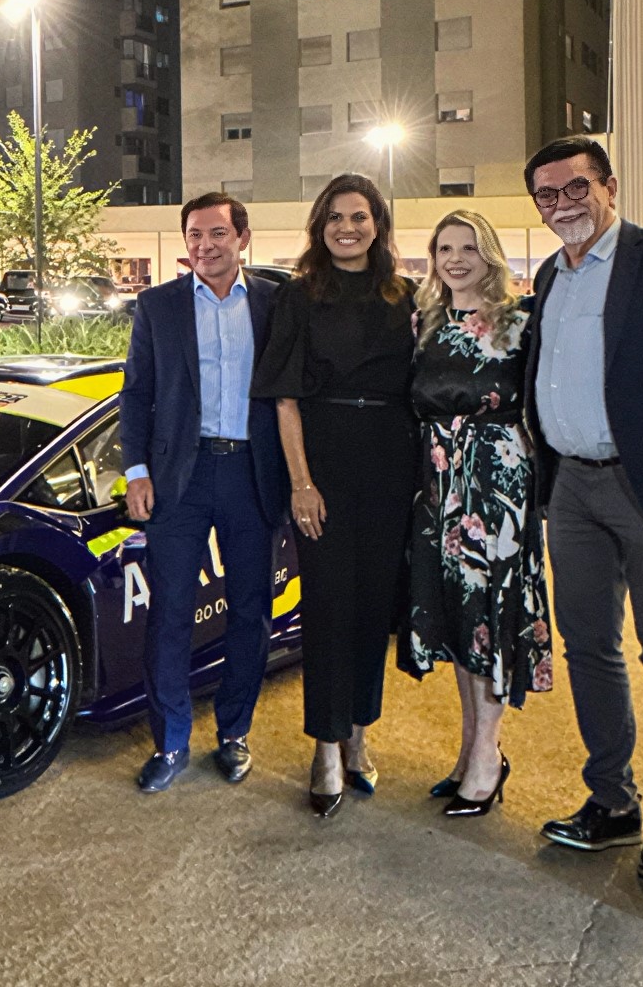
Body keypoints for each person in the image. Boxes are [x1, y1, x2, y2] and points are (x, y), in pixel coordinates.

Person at [521, 137, 643, 884]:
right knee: (588, 646)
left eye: (576, 188)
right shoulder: (548, 274)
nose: (562, 204)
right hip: (571, 486)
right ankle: (611, 800)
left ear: (610, 186)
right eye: (547, 195)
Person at [251, 173, 416, 818]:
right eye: (336, 218)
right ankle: (324, 745)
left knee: (374, 609)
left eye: (359, 216)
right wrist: (302, 483)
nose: (348, 228)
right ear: (320, 227)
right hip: (322, 465)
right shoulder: (299, 296)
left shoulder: (405, 296)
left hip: (391, 464)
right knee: (327, 607)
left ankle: (359, 734)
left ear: (378, 225)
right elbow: (284, 399)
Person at [121, 192, 289, 792]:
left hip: (252, 474)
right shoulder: (157, 306)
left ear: (242, 237)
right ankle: (170, 742)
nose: (205, 245)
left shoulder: (274, 304)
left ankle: (234, 732)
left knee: (250, 611)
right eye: (194, 234)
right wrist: (135, 470)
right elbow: (136, 393)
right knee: (169, 613)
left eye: (217, 233)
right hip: (179, 482)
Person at [399, 210, 549, 818]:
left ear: (489, 254)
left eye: (468, 247)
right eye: (445, 249)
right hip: (438, 483)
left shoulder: (520, 322)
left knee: (489, 612)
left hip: (496, 482)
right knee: (460, 616)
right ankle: (471, 750)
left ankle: (488, 755)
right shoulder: (424, 324)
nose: (456, 259)